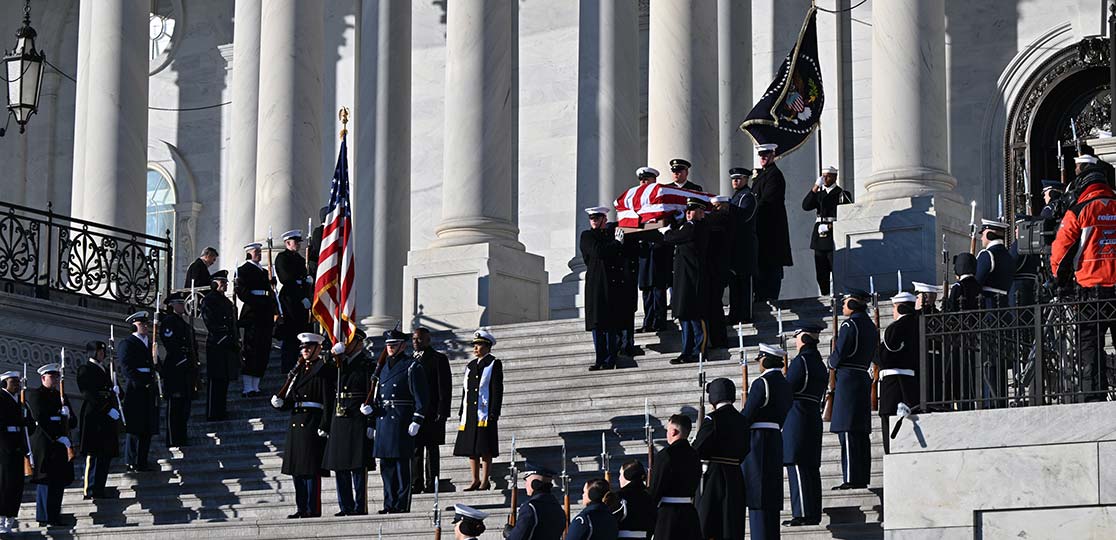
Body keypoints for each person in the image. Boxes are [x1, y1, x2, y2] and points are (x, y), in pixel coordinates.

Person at [1052, 155, 1116, 402]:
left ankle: (1094, 398)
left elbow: (1061, 249)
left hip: (1090, 289)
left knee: (1090, 347)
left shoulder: (1078, 209)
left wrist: (1060, 280)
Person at [364, 329, 428, 514]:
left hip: (401, 420)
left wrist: (417, 419)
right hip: (384, 421)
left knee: (402, 468)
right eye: (388, 345)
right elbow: (377, 397)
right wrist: (371, 415)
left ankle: (401, 504)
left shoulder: (412, 366)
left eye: (393, 345)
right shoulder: (381, 368)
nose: (390, 348)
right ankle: (389, 503)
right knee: (387, 468)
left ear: (403, 345)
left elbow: (421, 397)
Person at [270, 332, 334, 519]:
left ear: (317, 348)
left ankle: (312, 508)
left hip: (312, 422)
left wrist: (325, 424)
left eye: (308, 347)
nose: (304, 351)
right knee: (297, 469)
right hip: (296, 422)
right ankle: (301, 507)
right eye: (303, 348)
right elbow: (292, 397)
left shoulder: (323, 370)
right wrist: (281, 403)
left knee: (310, 469)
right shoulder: (298, 370)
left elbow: (327, 400)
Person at [828, 289, 878, 490]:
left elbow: (838, 356)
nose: (842, 306)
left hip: (848, 379)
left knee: (848, 431)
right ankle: (861, 476)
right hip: (861, 377)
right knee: (860, 432)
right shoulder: (869, 325)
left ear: (853, 304)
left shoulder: (850, 325)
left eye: (845, 302)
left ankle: (851, 478)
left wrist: (831, 361)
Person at [322, 328, 375, 517]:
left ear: (359, 343)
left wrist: (371, 421)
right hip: (340, 417)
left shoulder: (367, 364)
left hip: (357, 417)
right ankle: (345, 506)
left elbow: (372, 392)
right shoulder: (338, 364)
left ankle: (359, 506)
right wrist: (331, 355)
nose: (346, 345)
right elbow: (322, 374)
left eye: (350, 342)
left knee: (358, 466)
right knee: (340, 465)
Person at [742, 344, 793, 539]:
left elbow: (748, 414)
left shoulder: (761, 383)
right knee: (771, 496)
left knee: (758, 497)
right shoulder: (785, 383)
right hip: (775, 438)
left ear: (765, 359)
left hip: (758, 439)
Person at [692, 377, 748, 539]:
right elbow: (746, 449)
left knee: (709, 523)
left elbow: (699, 448)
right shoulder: (742, 420)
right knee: (731, 523)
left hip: (713, 476)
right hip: (735, 475)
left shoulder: (713, 418)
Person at [783, 325, 827, 527]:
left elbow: (788, 388)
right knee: (810, 467)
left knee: (798, 465)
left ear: (802, 338)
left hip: (798, 415)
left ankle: (802, 513)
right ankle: (813, 512)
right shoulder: (818, 362)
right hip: (812, 415)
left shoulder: (801, 361)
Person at [663, 199, 711, 365]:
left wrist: (667, 231)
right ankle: (686, 351)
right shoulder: (688, 226)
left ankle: (699, 350)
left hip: (693, 278)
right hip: (684, 278)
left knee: (695, 317)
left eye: (693, 210)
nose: (689, 213)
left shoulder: (695, 227)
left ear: (701, 212)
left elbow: (673, 238)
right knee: (685, 316)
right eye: (688, 210)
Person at [453, 329, 503, 491]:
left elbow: (496, 389)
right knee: (471, 448)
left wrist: (494, 412)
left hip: (485, 413)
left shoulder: (493, 363)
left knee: (484, 447)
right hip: (470, 413)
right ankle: (475, 479)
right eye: (474, 345)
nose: (475, 348)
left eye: (479, 345)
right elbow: (465, 391)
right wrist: (462, 411)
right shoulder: (471, 365)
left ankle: (484, 480)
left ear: (487, 346)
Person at [26, 363, 75, 527]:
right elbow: (41, 418)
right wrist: (57, 436)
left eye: (56, 377)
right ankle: (44, 517)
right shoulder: (35, 395)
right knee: (45, 481)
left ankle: (54, 516)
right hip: (45, 443)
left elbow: (73, 422)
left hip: (60, 445)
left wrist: (66, 414)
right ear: (43, 378)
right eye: (52, 377)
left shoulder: (61, 396)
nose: (54, 380)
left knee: (58, 481)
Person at [581, 206, 627, 371]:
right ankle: (600, 358)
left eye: (597, 218)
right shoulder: (587, 236)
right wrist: (616, 244)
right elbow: (597, 251)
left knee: (610, 324)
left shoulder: (610, 235)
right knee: (597, 324)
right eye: (592, 218)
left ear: (604, 220)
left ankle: (610, 358)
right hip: (596, 284)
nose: (593, 220)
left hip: (611, 284)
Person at [76, 341, 120, 499]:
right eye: (100, 351)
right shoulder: (85, 369)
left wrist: (116, 390)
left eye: (103, 351)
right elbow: (89, 393)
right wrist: (107, 409)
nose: (102, 354)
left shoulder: (106, 369)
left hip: (106, 416)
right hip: (95, 415)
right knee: (94, 453)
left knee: (105, 453)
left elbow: (110, 388)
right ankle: (91, 488)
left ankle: (100, 487)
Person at [878, 292, 920, 453]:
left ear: (900, 308)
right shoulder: (919, 324)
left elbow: (885, 357)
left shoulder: (895, 328)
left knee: (889, 427)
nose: (893, 312)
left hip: (894, 386)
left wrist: (876, 352)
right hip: (912, 384)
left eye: (894, 308)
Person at [117, 311, 158, 473]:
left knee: (147, 427)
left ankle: (142, 461)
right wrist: (144, 381)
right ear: (134, 325)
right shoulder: (128, 343)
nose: (146, 326)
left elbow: (155, 364)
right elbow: (127, 368)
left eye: (146, 324)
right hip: (136, 389)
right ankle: (131, 460)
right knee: (135, 428)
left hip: (149, 388)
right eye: (142, 324)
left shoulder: (150, 343)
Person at [411, 327, 451, 494]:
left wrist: (443, 411)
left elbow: (444, 387)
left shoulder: (438, 359)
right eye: (413, 339)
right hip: (416, 413)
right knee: (416, 449)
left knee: (432, 449)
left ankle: (431, 482)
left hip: (433, 412)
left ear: (428, 340)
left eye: (419, 339)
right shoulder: (409, 360)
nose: (415, 342)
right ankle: (416, 482)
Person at [649, 414, 701, 540]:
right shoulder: (695, 455)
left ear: (673, 431)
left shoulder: (665, 455)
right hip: (689, 513)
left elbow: (656, 488)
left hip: (667, 515)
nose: (667, 433)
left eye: (667, 430)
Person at [752, 143, 793, 303]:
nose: (763, 157)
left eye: (766, 154)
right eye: (761, 154)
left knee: (771, 266)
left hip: (771, 229)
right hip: (760, 228)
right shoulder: (762, 175)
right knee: (762, 267)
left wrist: (751, 211)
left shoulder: (774, 175)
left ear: (773, 155)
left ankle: (768, 297)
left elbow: (768, 201)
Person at [635, 168, 674, 333]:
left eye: (647, 180)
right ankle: (648, 321)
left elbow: (669, 222)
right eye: (642, 180)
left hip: (659, 251)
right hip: (645, 252)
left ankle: (659, 321)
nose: (644, 183)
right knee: (646, 290)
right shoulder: (637, 204)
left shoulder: (662, 202)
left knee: (658, 289)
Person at [235, 242, 275, 397]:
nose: (259, 253)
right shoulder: (243, 270)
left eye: (259, 251)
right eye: (256, 251)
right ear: (248, 253)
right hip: (253, 313)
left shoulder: (264, 271)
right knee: (251, 349)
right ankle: (247, 387)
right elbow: (243, 293)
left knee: (263, 349)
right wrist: (258, 301)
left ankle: (256, 386)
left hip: (265, 312)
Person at [801, 166, 847, 296]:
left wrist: (831, 226)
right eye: (823, 176)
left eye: (827, 176)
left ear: (834, 177)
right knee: (821, 270)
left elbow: (847, 215)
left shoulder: (842, 194)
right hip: (820, 234)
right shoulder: (819, 194)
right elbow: (805, 206)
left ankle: (839, 294)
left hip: (833, 232)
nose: (824, 178)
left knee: (835, 267)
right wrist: (815, 187)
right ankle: (825, 294)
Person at [158, 292, 196, 448]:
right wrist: (182, 359)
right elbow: (170, 343)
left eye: (182, 303)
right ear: (172, 305)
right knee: (175, 406)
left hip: (187, 367)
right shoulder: (169, 322)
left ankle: (182, 436)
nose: (182, 306)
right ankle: (173, 438)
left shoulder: (184, 323)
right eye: (179, 303)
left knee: (185, 406)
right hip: (176, 367)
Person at [201, 270, 238, 421]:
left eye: (225, 283)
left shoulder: (227, 302)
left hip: (228, 343)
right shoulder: (209, 300)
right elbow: (210, 321)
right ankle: (213, 412)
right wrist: (221, 334)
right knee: (215, 379)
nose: (225, 285)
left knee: (224, 379)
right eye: (222, 282)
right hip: (217, 343)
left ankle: (221, 409)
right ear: (214, 283)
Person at [275, 230, 312, 373]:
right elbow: (286, 279)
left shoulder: (300, 259)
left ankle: (302, 362)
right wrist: (301, 296)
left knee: (302, 330)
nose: (298, 245)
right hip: (290, 298)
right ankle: (288, 366)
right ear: (287, 243)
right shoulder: (282, 258)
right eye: (295, 242)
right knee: (291, 333)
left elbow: (302, 276)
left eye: (298, 242)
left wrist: (307, 281)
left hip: (301, 296)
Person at [727, 168, 758, 324]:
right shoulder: (735, 197)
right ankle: (734, 313)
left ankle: (745, 314)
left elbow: (742, 217)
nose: (735, 181)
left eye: (739, 178)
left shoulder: (748, 197)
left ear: (746, 179)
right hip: (734, 247)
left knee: (745, 282)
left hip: (745, 247)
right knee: (734, 283)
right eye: (733, 179)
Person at [0, 370, 29, 533]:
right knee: (4, 484)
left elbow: (28, 423)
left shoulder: (20, 401)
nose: (17, 385)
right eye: (14, 382)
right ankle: (1, 519)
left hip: (18, 447)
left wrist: (27, 422)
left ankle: (10, 518)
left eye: (18, 382)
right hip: (4, 448)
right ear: (4, 383)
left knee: (16, 485)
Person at [503, 466, 567, 540]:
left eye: (526, 480)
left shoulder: (530, 508)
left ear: (534, 483)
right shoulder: (558, 509)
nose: (525, 484)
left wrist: (510, 534)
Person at [705, 197, 734, 352]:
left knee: (715, 306)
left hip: (718, 270)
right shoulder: (717, 220)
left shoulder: (724, 218)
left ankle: (719, 340)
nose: (713, 210)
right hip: (715, 270)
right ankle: (716, 339)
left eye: (716, 206)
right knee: (713, 306)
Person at [614, 460, 656, 539]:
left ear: (627, 475)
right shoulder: (649, 495)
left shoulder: (620, 496)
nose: (619, 478)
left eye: (621, 474)